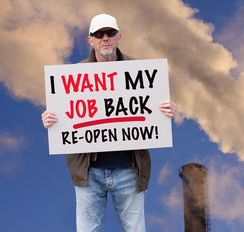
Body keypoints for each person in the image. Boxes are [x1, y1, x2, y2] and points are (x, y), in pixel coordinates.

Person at [41, 13, 176, 232]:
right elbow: (63, 116)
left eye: (110, 33)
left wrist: (167, 110)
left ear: (119, 37)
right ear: (90, 40)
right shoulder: (73, 76)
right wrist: (51, 120)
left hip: (130, 171)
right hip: (89, 172)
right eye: (99, 34)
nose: (105, 38)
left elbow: (153, 110)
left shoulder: (141, 72)